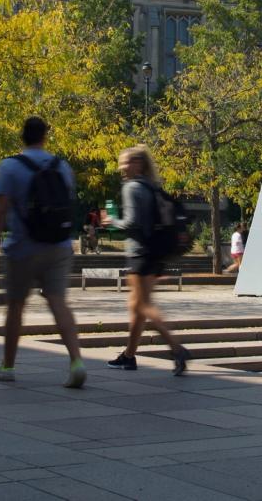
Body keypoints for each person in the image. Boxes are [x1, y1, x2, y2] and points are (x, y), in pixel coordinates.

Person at [0, 116, 85, 387]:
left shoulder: (10, 166)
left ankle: (7, 366)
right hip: (59, 245)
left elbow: (0, 211)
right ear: (45, 136)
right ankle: (76, 362)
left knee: (16, 305)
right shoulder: (62, 167)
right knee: (58, 301)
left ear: (22, 136)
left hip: (23, 247)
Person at [103, 145, 190, 375]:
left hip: (139, 253)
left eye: (125, 163)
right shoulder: (151, 186)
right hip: (155, 252)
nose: (121, 167)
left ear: (138, 164)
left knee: (143, 306)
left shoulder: (132, 187)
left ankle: (176, 348)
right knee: (137, 307)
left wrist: (112, 222)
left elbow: (132, 222)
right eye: (121, 163)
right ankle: (129, 356)